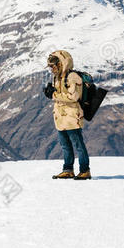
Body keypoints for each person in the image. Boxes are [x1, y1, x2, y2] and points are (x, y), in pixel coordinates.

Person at [44, 50, 91, 180]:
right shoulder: (58, 77)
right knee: (65, 145)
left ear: (61, 64)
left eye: (53, 66)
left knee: (78, 145)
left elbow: (74, 96)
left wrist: (53, 95)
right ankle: (68, 169)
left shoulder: (72, 77)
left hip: (72, 116)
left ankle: (85, 170)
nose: (51, 69)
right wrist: (51, 92)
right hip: (61, 117)